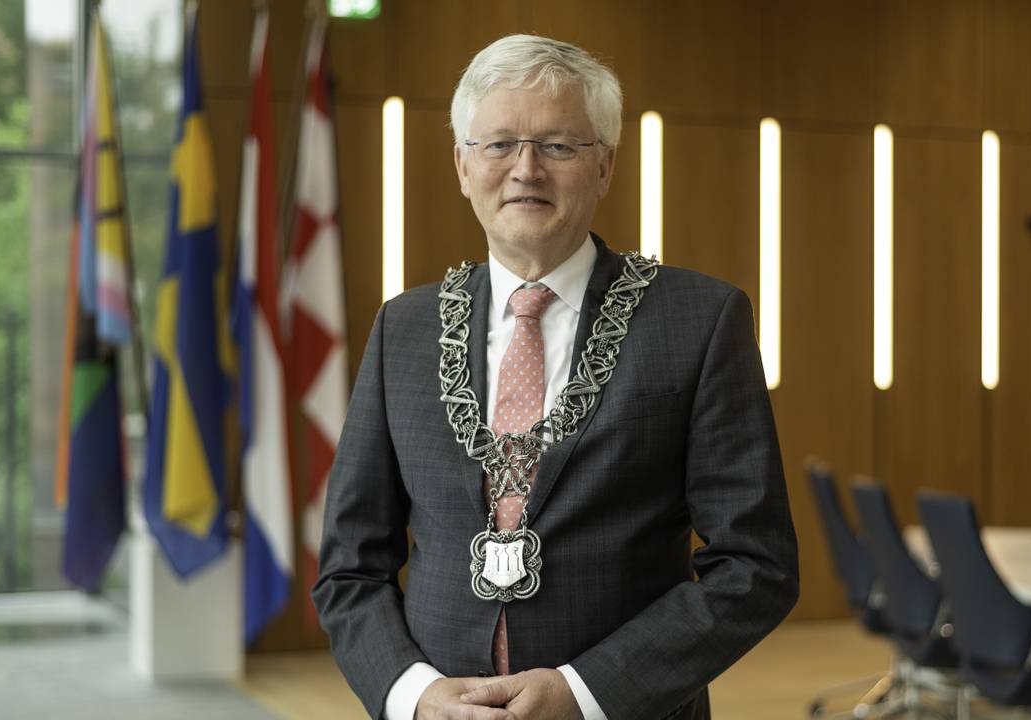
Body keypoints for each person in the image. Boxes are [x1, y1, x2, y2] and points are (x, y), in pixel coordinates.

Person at [313, 34, 799, 720]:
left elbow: (757, 567)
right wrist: (413, 693)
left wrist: (586, 692)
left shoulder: (700, 320)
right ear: (461, 164)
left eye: (559, 146)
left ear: (605, 166)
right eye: (499, 144)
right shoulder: (404, 329)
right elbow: (349, 567)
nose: (526, 170)